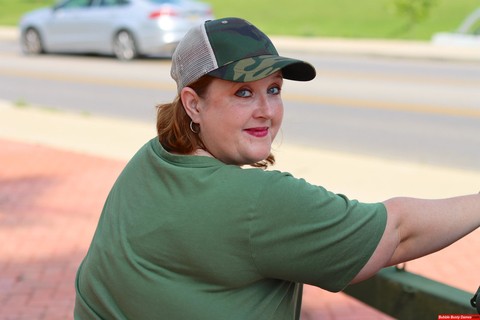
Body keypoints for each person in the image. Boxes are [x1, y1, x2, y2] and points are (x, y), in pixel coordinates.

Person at [74, 17, 480, 319]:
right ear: (193, 104)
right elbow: (398, 232)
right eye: (243, 92)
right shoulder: (257, 201)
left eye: (274, 90)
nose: (266, 111)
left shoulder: (151, 160)